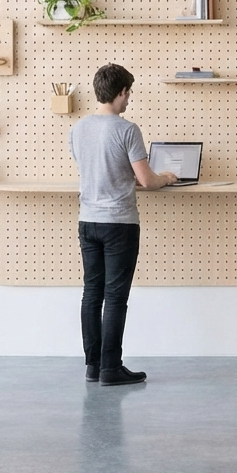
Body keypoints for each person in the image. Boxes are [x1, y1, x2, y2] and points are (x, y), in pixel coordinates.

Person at [69, 64, 176, 386]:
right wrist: (167, 177)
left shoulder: (78, 128)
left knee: (92, 294)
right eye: (128, 91)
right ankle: (111, 368)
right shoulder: (127, 129)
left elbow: (90, 166)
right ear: (121, 92)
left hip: (87, 220)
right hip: (119, 223)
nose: (129, 98)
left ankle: (93, 366)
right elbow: (146, 180)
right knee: (115, 298)